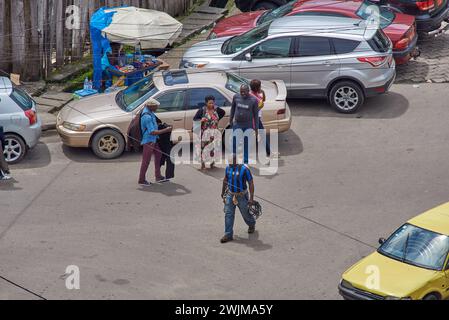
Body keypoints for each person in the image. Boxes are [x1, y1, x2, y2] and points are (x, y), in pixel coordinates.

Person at [220, 154, 256, 243]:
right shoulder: (228, 168)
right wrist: (222, 192)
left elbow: (251, 183)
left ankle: (251, 224)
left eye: (231, 161)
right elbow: (225, 180)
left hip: (242, 195)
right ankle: (228, 234)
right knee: (228, 214)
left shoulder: (244, 169)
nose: (229, 163)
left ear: (236, 160)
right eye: (228, 161)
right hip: (230, 194)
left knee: (245, 214)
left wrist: (251, 198)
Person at [138, 99, 173, 187]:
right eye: (156, 106)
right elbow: (152, 132)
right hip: (149, 141)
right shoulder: (147, 116)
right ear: (150, 106)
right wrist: (166, 130)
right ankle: (141, 180)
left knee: (159, 154)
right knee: (146, 161)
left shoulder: (149, 112)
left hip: (154, 140)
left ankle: (158, 176)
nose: (157, 108)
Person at [193, 95, 225, 170]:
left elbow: (223, 113)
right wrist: (201, 120)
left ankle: (212, 163)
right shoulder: (202, 110)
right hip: (205, 134)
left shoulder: (217, 110)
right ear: (206, 103)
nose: (212, 105)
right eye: (210, 103)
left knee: (214, 149)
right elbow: (195, 119)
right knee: (203, 149)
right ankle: (203, 164)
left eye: (213, 103)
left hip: (215, 134)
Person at [229, 85, 259, 164]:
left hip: (248, 125)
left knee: (246, 143)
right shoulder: (236, 97)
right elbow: (232, 108)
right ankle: (233, 160)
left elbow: (256, 115)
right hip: (237, 124)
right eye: (241, 91)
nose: (242, 93)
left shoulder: (254, 100)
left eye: (244, 92)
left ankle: (245, 162)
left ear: (248, 91)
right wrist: (230, 120)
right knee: (235, 142)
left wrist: (256, 129)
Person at [250, 79, 271, 157]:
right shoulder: (253, 97)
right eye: (259, 86)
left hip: (256, 118)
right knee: (261, 134)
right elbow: (257, 108)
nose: (260, 87)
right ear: (256, 88)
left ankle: (268, 151)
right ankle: (268, 151)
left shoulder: (254, 93)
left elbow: (263, 99)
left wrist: (263, 92)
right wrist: (261, 105)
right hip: (255, 119)